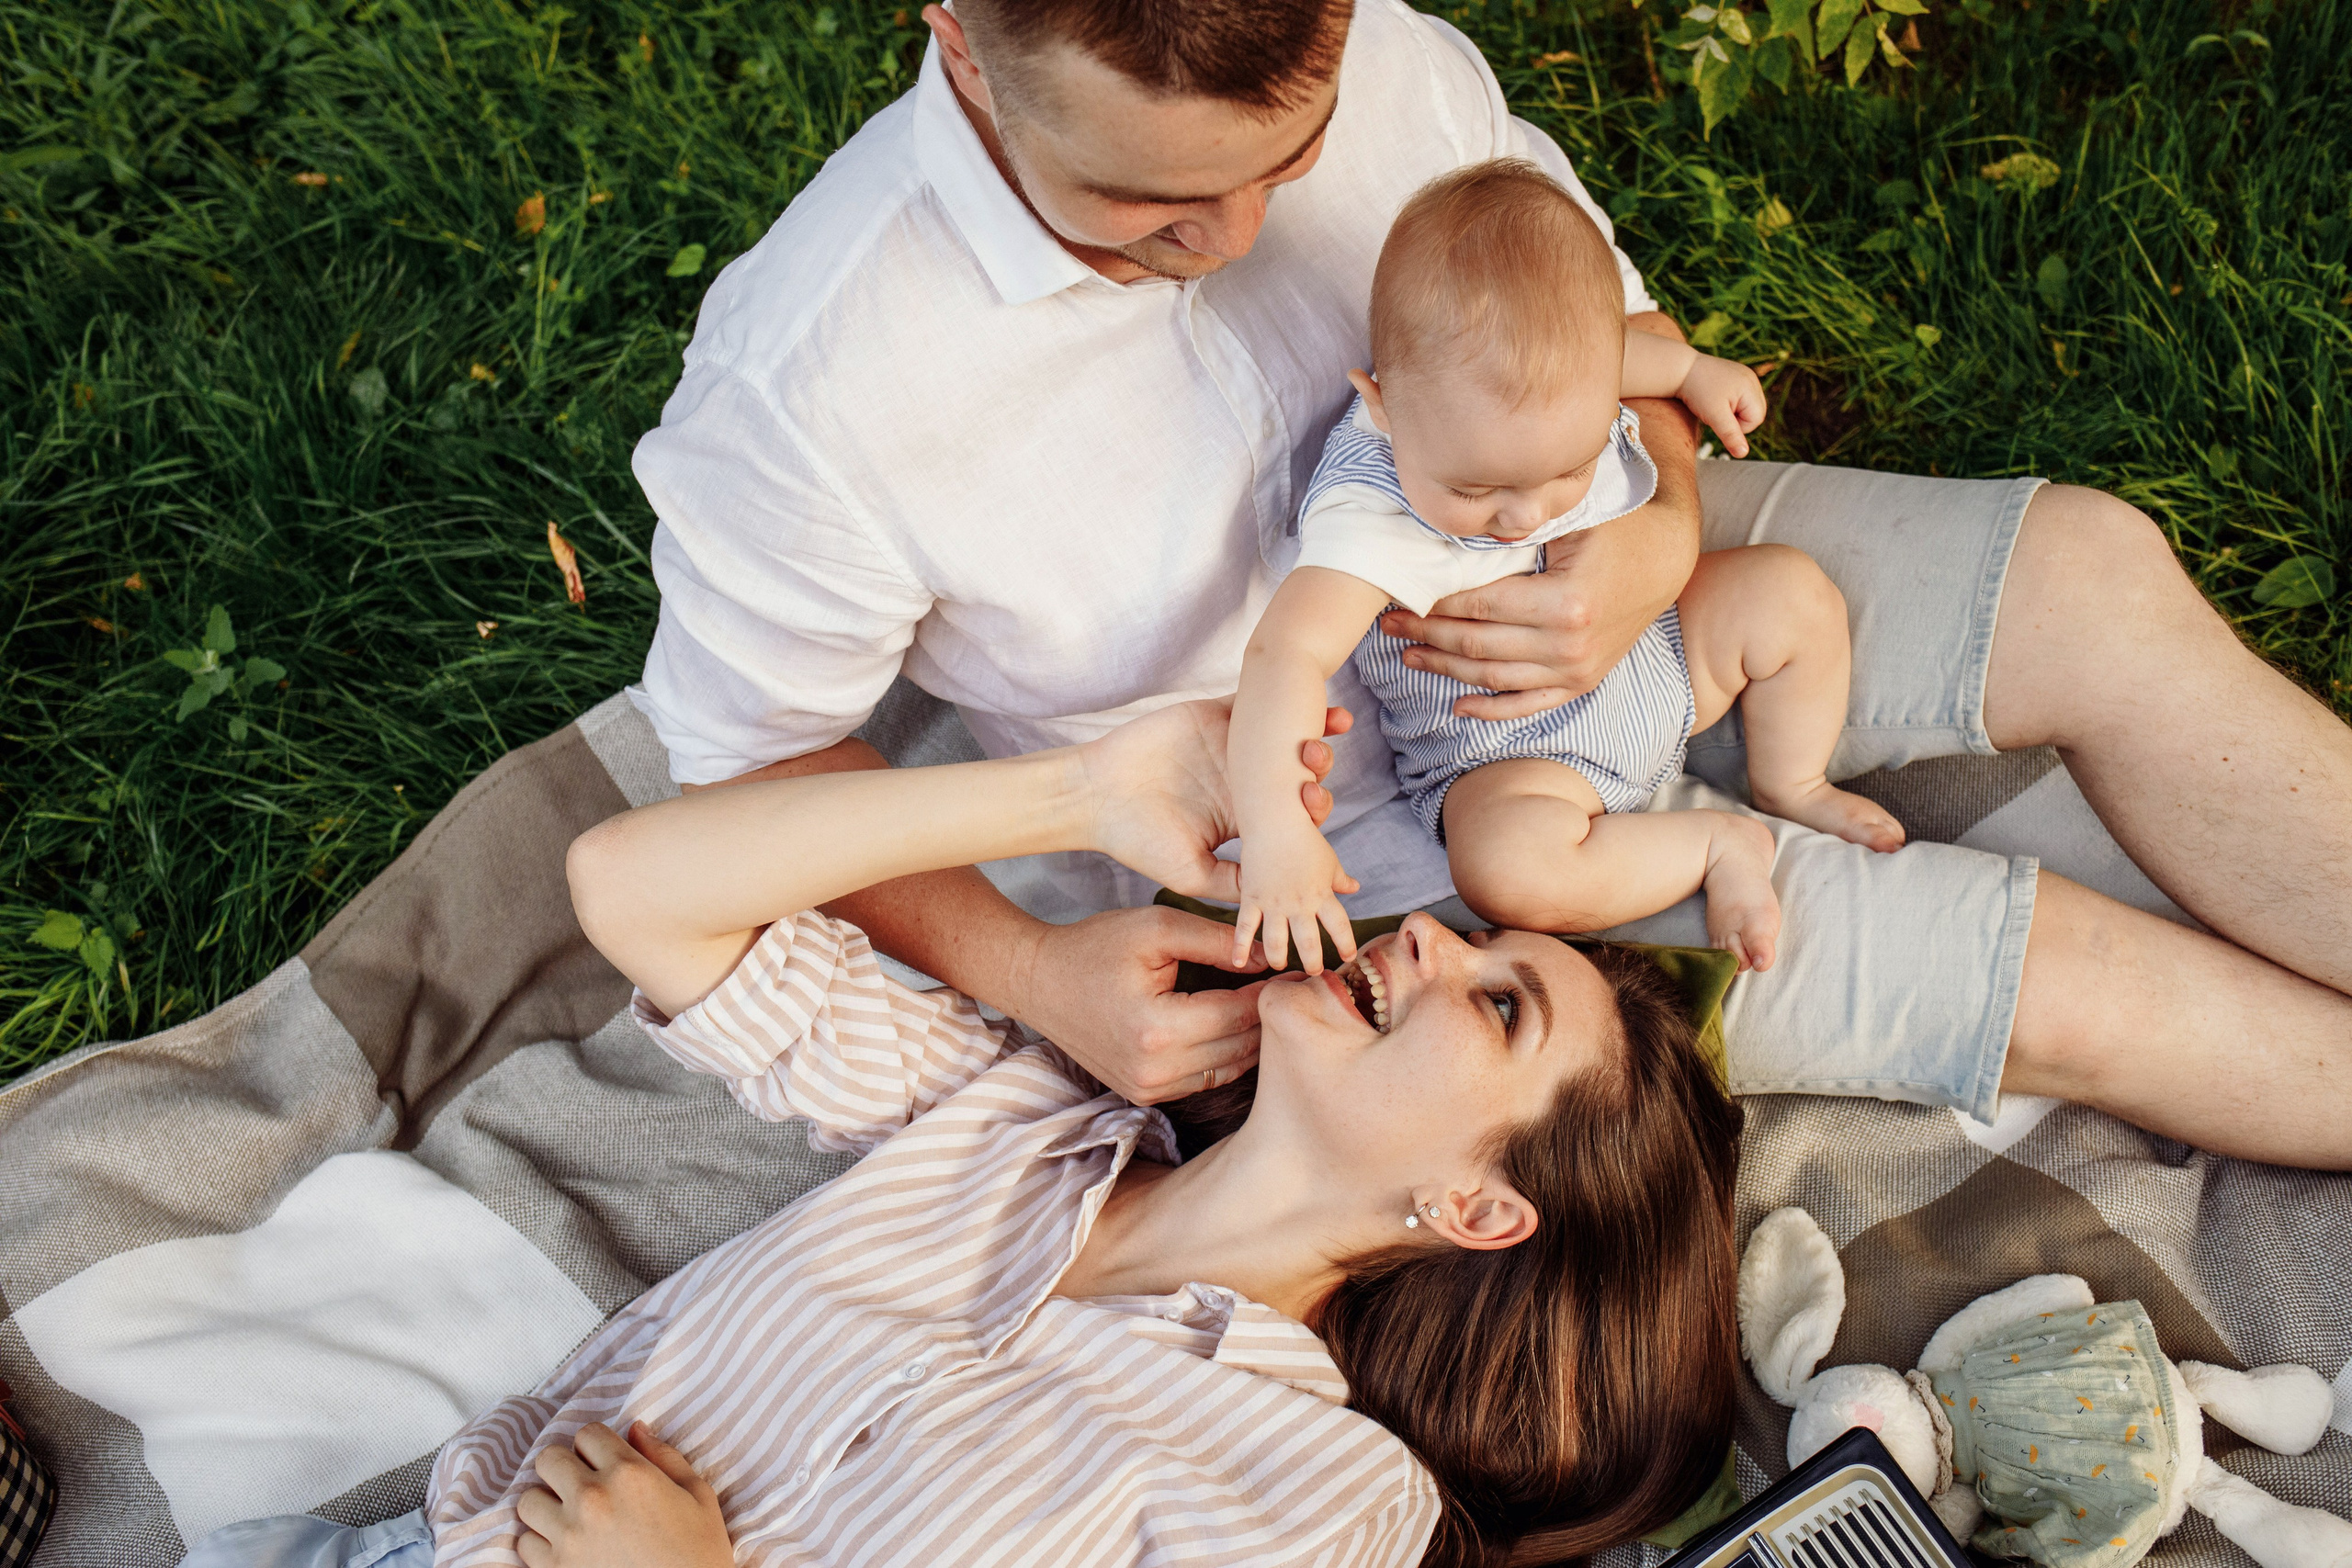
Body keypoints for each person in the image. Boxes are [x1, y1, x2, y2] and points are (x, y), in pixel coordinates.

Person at [631, 0, 2352, 1162]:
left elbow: (1608, 343)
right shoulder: (808, 387)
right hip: (1396, 866)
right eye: (1140, 203)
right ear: (964, 40)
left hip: (1604, 570)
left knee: (2096, 576)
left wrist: (1663, 529)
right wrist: (1031, 971)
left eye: (1283, 162)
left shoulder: (1388, 54)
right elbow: (750, 769)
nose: (1229, 235)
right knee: (2057, 984)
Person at [175, 701, 1745, 1567]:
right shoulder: (1024, 1118)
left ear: (1478, 1207)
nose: (1423, 943)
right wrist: (1080, 798)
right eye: (1474, 939)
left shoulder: (1328, 1503)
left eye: (1498, 1006)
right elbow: (636, 886)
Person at [1229, 160, 1902, 977]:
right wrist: (1275, 832)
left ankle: (1793, 779)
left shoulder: (1560, 380)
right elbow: (1286, 654)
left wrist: (1689, 373)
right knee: (1508, 871)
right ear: (1380, 403)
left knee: (1791, 593)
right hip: (1510, 761)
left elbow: (1625, 359)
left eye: (1568, 472)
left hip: (1655, 650)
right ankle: (1720, 845)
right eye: (1476, 490)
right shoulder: (1371, 510)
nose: (1527, 515)